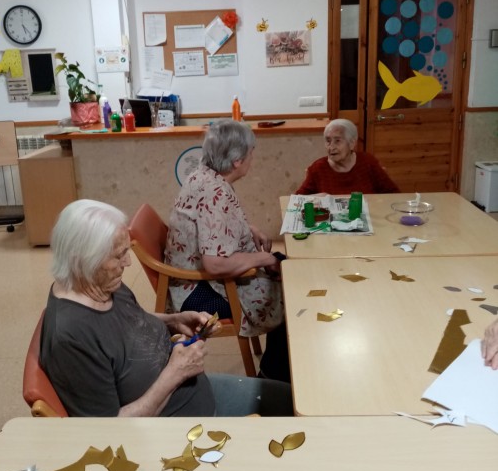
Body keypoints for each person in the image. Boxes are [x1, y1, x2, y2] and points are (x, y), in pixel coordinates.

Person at [40, 199, 293, 417]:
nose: (128, 263)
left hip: (196, 390)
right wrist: (176, 372)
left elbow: (125, 321)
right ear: (82, 260)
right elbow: (111, 428)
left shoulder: (95, 282)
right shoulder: (70, 337)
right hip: (180, 429)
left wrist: (174, 320)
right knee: (295, 417)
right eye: (118, 256)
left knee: (293, 401)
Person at [165, 119, 290, 382]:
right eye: (251, 152)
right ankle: (271, 378)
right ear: (237, 161)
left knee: (286, 267)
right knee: (290, 293)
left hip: (195, 280)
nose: (253, 157)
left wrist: (248, 229)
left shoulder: (203, 174)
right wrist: (263, 257)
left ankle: (276, 369)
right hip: (198, 291)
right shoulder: (215, 193)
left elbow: (211, 224)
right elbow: (215, 264)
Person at [296, 118, 400, 195]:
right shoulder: (318, 168)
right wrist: (315, 198)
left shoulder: (368, 163)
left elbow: (393, 193)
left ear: (351, 143)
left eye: (337, 141)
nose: (331, 147)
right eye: (328, 141)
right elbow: (297, 199)